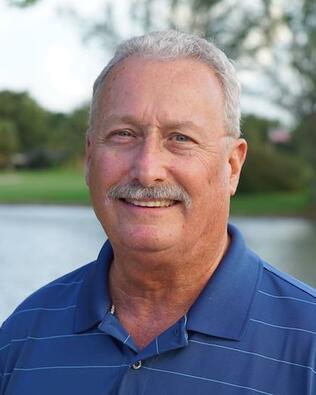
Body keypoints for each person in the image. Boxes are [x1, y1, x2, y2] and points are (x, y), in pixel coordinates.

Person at [0, 30, 315, 395]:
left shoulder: (307, 344)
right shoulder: (24, 335)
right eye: (123, 134)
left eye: (180, 138)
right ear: (89, 158)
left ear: (232, 166)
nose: (147, 168)